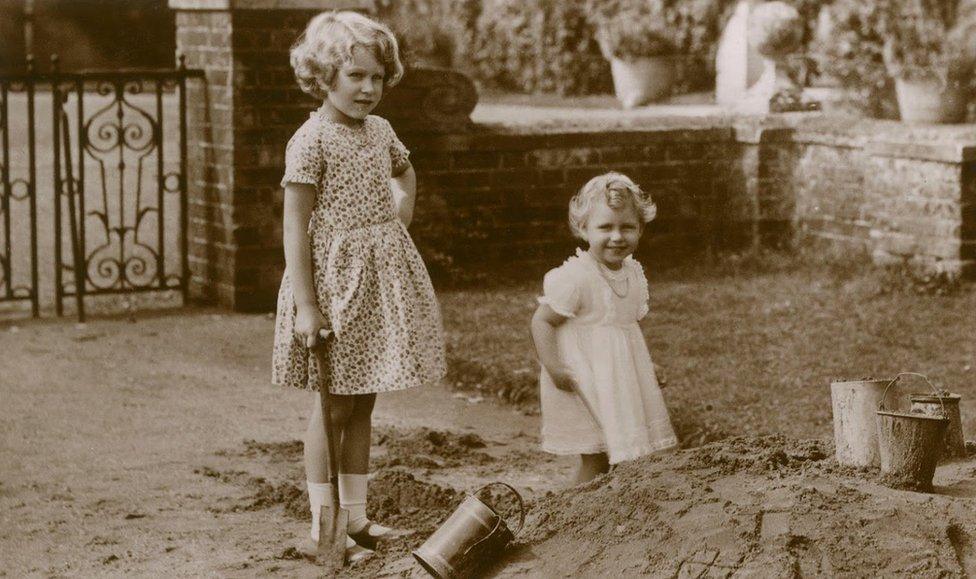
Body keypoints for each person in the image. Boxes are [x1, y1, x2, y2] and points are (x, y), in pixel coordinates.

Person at [271, 11, 446, 564]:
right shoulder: (310, 141)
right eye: (355, 77)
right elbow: (295, 225)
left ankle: (358, 517)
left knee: (363, 402)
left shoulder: (381, 131)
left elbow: (404, 171)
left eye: (377, 77)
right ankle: (326, 529)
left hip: (375, 285)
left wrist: (396, 223)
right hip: (332, 287)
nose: (369, 88)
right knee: (333, 406)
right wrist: (306, 305)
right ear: (324, 77)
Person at [530, 172, 678, 484]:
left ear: (640, 229)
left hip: (621, 381)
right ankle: (571, 515)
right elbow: (542, 321)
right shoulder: (576, 277)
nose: (616, 236)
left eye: (627, 227)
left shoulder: (632, 273)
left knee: (631, 453)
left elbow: (624, 330)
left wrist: (646, 365)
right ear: (583, 229)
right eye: (605, 227)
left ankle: (615, 516)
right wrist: (554, 366)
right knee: (597, 458)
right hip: (584, 380)